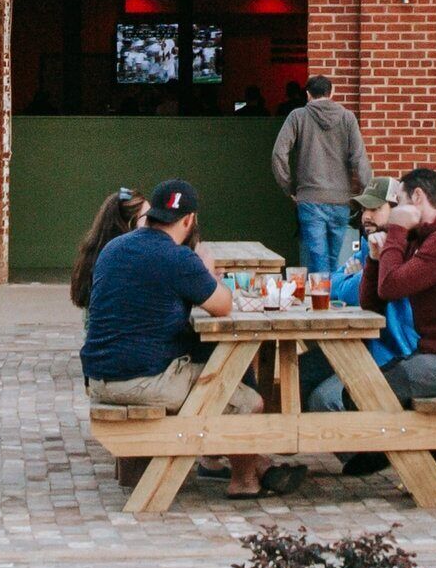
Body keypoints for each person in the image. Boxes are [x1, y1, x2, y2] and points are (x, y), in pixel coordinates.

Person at [80, 179, 289, 497]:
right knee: (249, 401)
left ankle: (250, 464)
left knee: (223, 364)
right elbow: (223, 305)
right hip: (140, 382)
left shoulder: (115, 247)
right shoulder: (177, 257)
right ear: (189, 220)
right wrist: (205, 268)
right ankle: (244, 481)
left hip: (99, 376)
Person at [306, 166, 436, 473]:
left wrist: (394, 232)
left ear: (418, 198)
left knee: (362, 393)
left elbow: (392, 285)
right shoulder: (421, 242)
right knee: (359, 388)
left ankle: (404, 454)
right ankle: (422, 452)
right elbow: (375, 302)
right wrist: (373, 259)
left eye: (399, 201)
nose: (394, 211)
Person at [271, 73, 372, 278]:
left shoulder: (298, 116)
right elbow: (359, 159)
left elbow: (278, 154)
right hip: (341, 200)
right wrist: (368, 195)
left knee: (317, 262)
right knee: (334, 261)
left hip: (309, 199)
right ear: (332, 92)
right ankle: (330, 300)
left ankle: (321, 304)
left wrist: (289, 188)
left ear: (308, 94)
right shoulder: (347, 117)